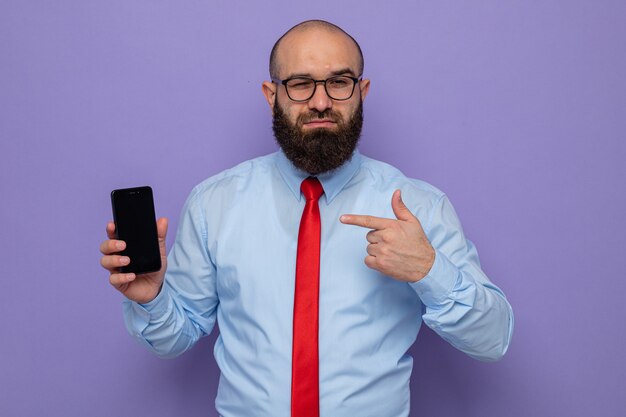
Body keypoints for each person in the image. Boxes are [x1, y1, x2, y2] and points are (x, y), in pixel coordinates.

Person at [100, 19, 513, 417]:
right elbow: (174, 337)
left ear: (362, 91)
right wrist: (153, 299)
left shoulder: (418, 206)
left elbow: (493, 339)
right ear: (271, 94)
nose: (320, 102)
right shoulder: (215, 203)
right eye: (300, 84)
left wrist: (429, 270)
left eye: (339, 82)